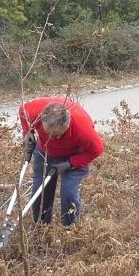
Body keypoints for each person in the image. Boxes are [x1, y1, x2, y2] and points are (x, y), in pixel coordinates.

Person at [19, 97, 104, 226]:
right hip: (45, 153)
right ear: (42, 122)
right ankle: (41, 227)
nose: (55, 138)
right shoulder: (35, 111)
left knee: (68, 193)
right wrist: (28, 132)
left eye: (59, 135)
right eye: (51, 135)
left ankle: (70, 228)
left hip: (74, 155)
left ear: (67, 124)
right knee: (39, 193)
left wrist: (71, 163)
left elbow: (96, 150)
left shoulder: (82, 128)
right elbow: (22, 110)